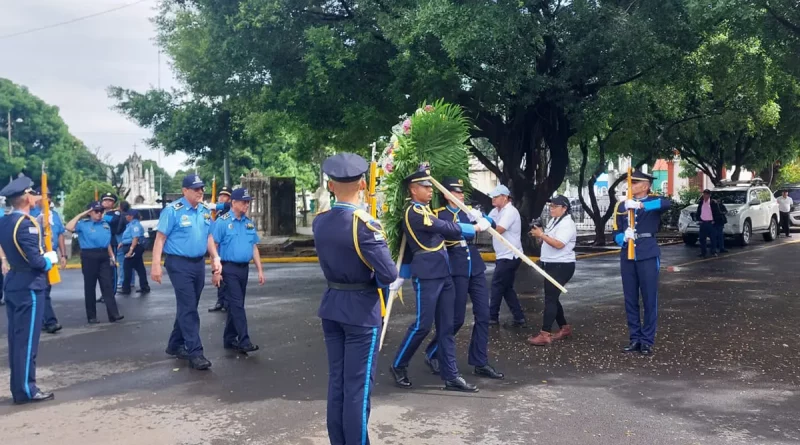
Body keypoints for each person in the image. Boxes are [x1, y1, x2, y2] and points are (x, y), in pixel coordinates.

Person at [313, 153, 397, 445]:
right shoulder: (364, 224)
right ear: (362, 184)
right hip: (361, 311)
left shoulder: (320, 221)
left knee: (338, 383)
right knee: (358, 388)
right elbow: (388, 273)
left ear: (331, 185)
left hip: (332, 305)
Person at [389, 165, 490, 392]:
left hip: (444, 273)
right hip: (427, 275)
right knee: (422, 325)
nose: (429, 191)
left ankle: (451, 375)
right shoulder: (413, 212)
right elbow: (443, 227)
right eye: (425, 187)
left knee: (447, 326)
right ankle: (398, 364)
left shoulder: (425, 209)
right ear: (413, 190)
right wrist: (473, 228)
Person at [423, 177, 504, 380]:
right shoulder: (439, 215)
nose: (460, 196)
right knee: (456, 319)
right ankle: (433, 351)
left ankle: (480, 361)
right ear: (446, 194)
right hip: (455, 267)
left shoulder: (469, 212)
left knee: (483, 315)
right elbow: (445, 235)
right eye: (457, 192)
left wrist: (485, 219)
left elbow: (490, 221)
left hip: (474, 266)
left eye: (461, 193)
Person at [151, 174, 222, 371]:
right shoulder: (173, 211)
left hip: (198, 263)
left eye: (202, 188)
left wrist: (215, 258)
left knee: (188, 305)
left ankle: (175, 344)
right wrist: (155, 265)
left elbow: (208, 236)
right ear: (185, 191)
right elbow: (160, 239)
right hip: (178, 264)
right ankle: (195, 353)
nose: (200, 192)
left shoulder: (205, 211)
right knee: (189, 307)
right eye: (195, 189)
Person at [0, 176, 58, 404]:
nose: (36, 197)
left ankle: (20, 387)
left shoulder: (5, 221)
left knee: (17, 339)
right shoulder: (26, 224)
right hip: (29, 285)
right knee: (26, 341)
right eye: (33, 194)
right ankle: (26, 390)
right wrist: (49, 261)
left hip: (14, 282)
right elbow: (35, 261)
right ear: (25, 198)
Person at [612, 170, 672, 356]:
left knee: (649, 299)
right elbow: (615, 231)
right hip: (628, 255)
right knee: (630, 299)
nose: (631, 184)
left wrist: (639, 206)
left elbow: (667, 203)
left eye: (635, 182)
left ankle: (647, 340)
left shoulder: (653, 201)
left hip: (647, 253)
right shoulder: (622, 206)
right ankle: (635, 339)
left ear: (645, 186)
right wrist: (623, 237)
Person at [211, 187, 265, 353]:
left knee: (237, 304)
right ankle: (244, 340)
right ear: (233, 202)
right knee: (237, 305)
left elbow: (254, 247)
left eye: (248, 202)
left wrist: (260, 270)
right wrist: (216, 271)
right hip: (228, 268)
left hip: (244, 269)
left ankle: (229, 338)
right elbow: (214, 246)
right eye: (244, 202)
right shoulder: (223, 222)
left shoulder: (248, 223)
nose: (247, 205)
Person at [527, 195, 577, 346]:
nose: (551, 209)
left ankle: (545, 333)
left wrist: (542, 235)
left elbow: (559, 244)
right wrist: (539, 235)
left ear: (564, 208)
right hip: (551, 263)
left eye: (555, 206)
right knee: (552, 297)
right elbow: (546, 241)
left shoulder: (567, 224)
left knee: (550, 299)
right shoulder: (554, 221)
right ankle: (564, 327)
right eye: (550, 206)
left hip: (561, 265)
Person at [66, 202, 124, 324]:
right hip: (89, 256)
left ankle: (114, 314)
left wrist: (111, 255)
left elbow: (106, 241)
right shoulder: (83, 224)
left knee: (107, 284)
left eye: (101, 211)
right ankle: (91, 316)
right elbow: (69, 227)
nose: (99, 214)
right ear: (90, 212)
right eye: (96, 211)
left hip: (103, 255)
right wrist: (83, 214)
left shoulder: (105, 224)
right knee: (90, 286)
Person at [487, 184, 525, 327]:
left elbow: (499, 229)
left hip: (510, 255)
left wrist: (484, 224)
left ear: (505, 197)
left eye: (496, 197)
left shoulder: (510, 211)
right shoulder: (496, 210)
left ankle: (492, 317)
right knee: (506, 287)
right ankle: (519, 317)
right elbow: (485, 221)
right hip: (502, 255)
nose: (493, 199)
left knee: (497, 285)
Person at [33, 189, 68, 334]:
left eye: (49, 197)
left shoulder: (54, 215)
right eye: (43, 197)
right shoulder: (32, 214)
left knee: (45, 289)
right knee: (43, 290)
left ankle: (42, 320)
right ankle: (50, 321)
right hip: (36, 254)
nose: (47, 200)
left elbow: (60, 235)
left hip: (51, 256)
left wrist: (63, 255)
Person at [209, 186, 232, 313]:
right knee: (219, 275)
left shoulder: (229, 209)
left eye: (225, 196)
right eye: (220, 195)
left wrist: (215, 206)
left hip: (226, 249)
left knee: (227, 277)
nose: (221, 198)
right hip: (217, 248)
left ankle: (227, 302)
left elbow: (227, 206)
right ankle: (221, 301)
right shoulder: (218, 213)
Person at [118, 209, 151, 295]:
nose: (126, 216)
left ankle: (126, 289)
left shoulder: (135, 225)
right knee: (140, 268)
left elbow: (135, 238)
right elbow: (129, 237)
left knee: (127, 268)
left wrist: (130, 251)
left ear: (131, 216)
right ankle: (144, 286)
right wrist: (122, 243)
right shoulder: (130, 225)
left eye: (127, 215)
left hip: (133, 248)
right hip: (131, 247)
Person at [100, 193, 124, 292]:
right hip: (99, 244)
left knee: (111, 268)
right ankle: (104, 292)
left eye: (110, 201)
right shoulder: (99, 212)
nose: (107, 202)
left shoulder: (115, 213)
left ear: (113, 203)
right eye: (105, 200)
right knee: (101, 271)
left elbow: (113, 221)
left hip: (110, 242)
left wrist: (99, 216)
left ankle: (111, 292)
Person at [695, 189, 725, 258]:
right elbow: (698, 211)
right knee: (702, 238)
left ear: (709, 195)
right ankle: (703, 252)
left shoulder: (713, 202)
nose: (705, 196)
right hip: (703, 222)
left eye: (706, 194)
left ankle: (713, 251)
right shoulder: (701, 202)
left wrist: (714, 220)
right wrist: (699, 219)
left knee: (713, 238)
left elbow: (717, 212)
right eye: (704, 194)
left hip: (710, 223)